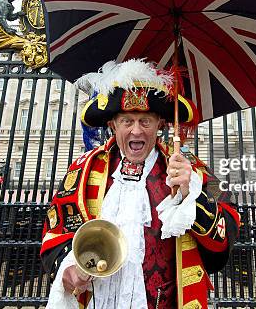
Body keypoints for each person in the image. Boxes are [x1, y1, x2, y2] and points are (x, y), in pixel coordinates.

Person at [41, 59, 239, 309]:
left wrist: (194, 196)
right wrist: (67, 269)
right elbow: (56, 230)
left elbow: (227, 231)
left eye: (145, 121)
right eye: (127, 121)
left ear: (160, 124)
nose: (136, 131)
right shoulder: (84, 169)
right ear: (112, 124)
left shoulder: (190, 170)